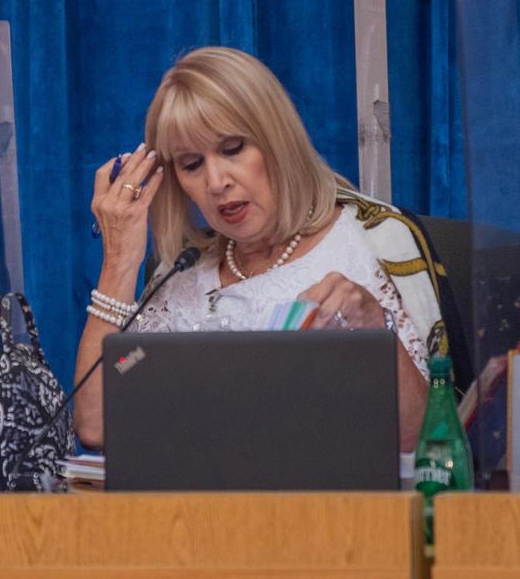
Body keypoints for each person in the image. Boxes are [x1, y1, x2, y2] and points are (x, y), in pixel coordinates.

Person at [74, 47, 457, 453]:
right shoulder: (182, 276)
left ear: (277, 139)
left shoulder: (373, 242)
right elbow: (97, 426)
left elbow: (429, 443)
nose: (216, 181)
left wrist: (377, 329)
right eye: (191, 164)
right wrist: (118, 264)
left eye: (232, 148)